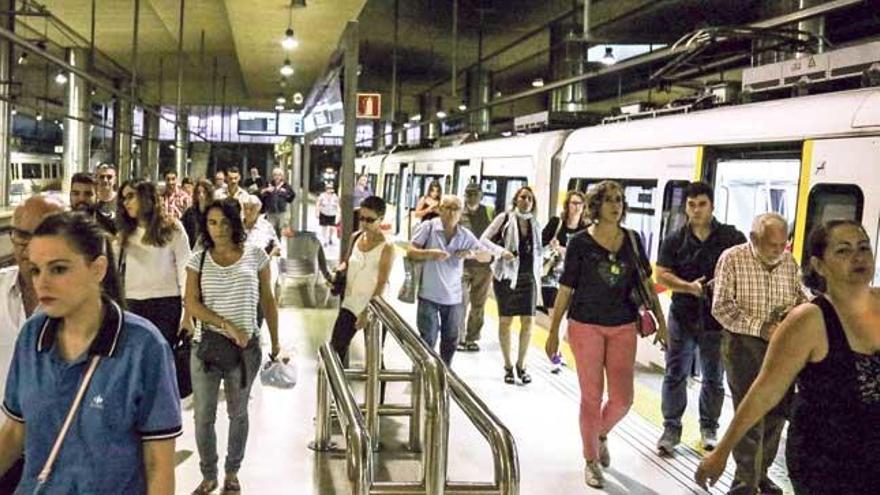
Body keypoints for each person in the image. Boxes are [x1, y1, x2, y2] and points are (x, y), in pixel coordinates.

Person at [0, 212, 181, 494]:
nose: (42, 283)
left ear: (98, 269)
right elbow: (14, 432)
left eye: (58, 269)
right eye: (36, 270)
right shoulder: (33, 336)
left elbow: (158, 463)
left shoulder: (143, 347)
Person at [697, 220, 880, 494]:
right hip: (826, 462)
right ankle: (747, 479)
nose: (858, 256)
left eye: (863, 247)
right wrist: (720, 453)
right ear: (819, 265)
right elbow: (764, 392)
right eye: (843, 250)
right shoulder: (809, 320)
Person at [545, 180, 650, 489]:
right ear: (596, 206)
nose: (615, 205)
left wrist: (661, 322)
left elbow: (644, 281)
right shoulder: (579, 242)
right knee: (591, 396)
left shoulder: (632, 239)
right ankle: (590, 459)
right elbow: (566, 288)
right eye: (608, 200)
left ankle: (600, 433)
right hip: (585, 324)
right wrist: (553, 331)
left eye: (619, 200)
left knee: (623, 399)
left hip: (623, 326)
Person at [184, 199, 280, 495]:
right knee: (203, 416)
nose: (219, 229)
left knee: (238, 413)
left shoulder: (255, 256)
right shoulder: (198, 258)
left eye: (225, 222)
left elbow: (268, 300)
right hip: (207, 348)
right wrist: (226, 325)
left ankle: (232, 472)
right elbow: (191, 303)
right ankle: (208, 474)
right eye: (212, 223)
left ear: (235, 223)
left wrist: (277, 343)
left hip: (245, 350)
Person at [708, 212, 809, 495]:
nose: (779, 250)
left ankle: (759, 474)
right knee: (750, 414)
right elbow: (722, 308)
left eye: (783, 244)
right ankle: (744, 484)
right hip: (743, 344)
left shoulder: (789, 262)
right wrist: (761, 328)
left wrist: (797, 315)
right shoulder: (732, 258)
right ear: (754, 239)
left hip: (782, 344)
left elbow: (801, 297)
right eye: (772, 245)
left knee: (777, 414)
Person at [655, 182, 746, 455]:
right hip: (682, 316)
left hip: (717, 320)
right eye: (691, 205)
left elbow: (744, 265)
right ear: (686, 207)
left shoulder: (731, 237)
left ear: (712, 206)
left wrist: (725, 283)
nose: (696, 210)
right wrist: (690, 287)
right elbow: (661, 274)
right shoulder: (675, 239)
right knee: (675, 373)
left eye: (701, 204)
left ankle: (709, 428)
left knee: (713, 377)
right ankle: (671, 429)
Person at [0, 196, 64, 492]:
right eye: (19, 235)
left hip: (59, 458)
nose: (26, 246)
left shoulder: (86, 311)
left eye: (38, 235)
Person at [407, 195, 491, 365]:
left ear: (461, 213)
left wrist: (471, 254)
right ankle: (426, 373)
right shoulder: (428, 227)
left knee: (451, 338)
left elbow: (487, 256)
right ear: (440, 209)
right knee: (428, 338)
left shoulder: (465, 235)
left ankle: (445, 371)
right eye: (448, 208)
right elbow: (410, 251)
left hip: (453, 297)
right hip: (428, 294)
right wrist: (431, 254)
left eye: (456, 209)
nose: (452, 213)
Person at [117, 180, 192, 348]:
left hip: (166, 303)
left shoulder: (173, 228)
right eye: (123, 198)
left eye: (130, 196)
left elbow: (185, 270)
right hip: (133, 302)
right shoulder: (125, 234)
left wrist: (188, 313)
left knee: (162, 355)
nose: (125, 202)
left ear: (146, 198)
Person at [481, 186, 543, 385]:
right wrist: (501, 252)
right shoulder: (505, 218)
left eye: (530, 199)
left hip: (528, 277)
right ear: (516, 199)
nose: (526, 201)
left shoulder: (535, 224)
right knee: (506, 322)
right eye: (523, 197)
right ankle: (508, 365)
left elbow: (538, 251)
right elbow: (483, 240)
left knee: (528, 323)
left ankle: (521, 365)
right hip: (506, 277)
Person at [328, 196, 395, 363]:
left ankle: (378, 389)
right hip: (350, 304)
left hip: (373, 308)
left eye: (370, 220)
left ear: (381, 219)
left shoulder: (387, 247)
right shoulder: (356, 237)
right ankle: (336, 386)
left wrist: (368, 311)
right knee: (336, 348)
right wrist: (339, 270)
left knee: (374, 358)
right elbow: (346, 261)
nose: (364, 223)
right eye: (362, 218)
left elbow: (381, 282)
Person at [457, 182, 494, 352]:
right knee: (461, 301)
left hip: (484, 267)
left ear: (481, 196)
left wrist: (492, 255)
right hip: (462, 265)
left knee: (478, 304)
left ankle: (472, 337)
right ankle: (459, 337)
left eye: (474, 194)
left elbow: (496, 238)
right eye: (468, 194)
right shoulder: (458, 213)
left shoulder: (490, 213)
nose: (471, 197)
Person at [541, 190, 588, 312]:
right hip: (551, 278)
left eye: (580, 204)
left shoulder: (586, 230)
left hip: (573, 280)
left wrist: (562, 249)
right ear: (567, 205)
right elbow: (540, 243)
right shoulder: (556, 223)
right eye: (574, 203)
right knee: (553, 314)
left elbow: (586, 254)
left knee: (568, 318)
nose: (577, 207)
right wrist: (550, 244)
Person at [259, 167, 295, 238]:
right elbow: (261, 194)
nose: (277, 177)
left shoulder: (286, 186)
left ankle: (279, 246)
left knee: (280, 231)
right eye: (275, 175)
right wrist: (266, 190)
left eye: (279, 175)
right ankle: (272, 246)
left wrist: (285, 193)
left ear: (282, 176)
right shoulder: (268, 184)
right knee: (270, 231)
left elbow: (292, 195)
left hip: (282, 212)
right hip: (270, 212)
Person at [181, 179, 215, 249]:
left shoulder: (214, 211)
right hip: (192, 248)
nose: (201, 195)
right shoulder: (190, 212)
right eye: (198, 192)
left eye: (204, 192)